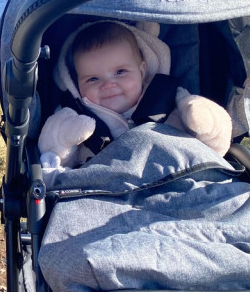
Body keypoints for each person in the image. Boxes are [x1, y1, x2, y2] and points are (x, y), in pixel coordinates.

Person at [38, 20, 232, 176]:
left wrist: (203, 119)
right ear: (75, 82)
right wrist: (65, 140)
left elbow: (212, 143)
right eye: (93, 79)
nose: (107, 85)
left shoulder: (167, 96)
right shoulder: (75, 114)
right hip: (101, 190)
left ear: (142, 71)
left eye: (120, 72)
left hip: (174, 177)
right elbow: (52, 158)